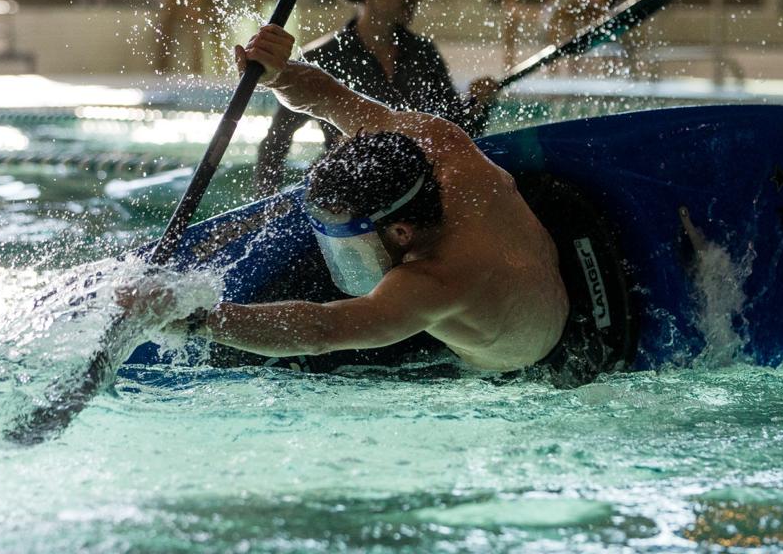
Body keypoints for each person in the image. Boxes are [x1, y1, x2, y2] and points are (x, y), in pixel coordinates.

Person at [123, 22, 636, 383]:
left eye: (347, 241)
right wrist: (279, 73)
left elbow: (321, 329)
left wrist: (199, 319)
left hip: (549, 354)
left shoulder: (431, 283)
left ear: (401, 232)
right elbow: (330, 99)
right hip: (552, 242)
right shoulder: (439, 142)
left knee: (300, 368)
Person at [255, 0, 500, 195]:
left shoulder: (424, 54)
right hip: (353, 203)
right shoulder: (322, 58)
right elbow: (274, 144)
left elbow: (450, 137)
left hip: (420, 197)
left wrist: (478, 104)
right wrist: (267, 208)